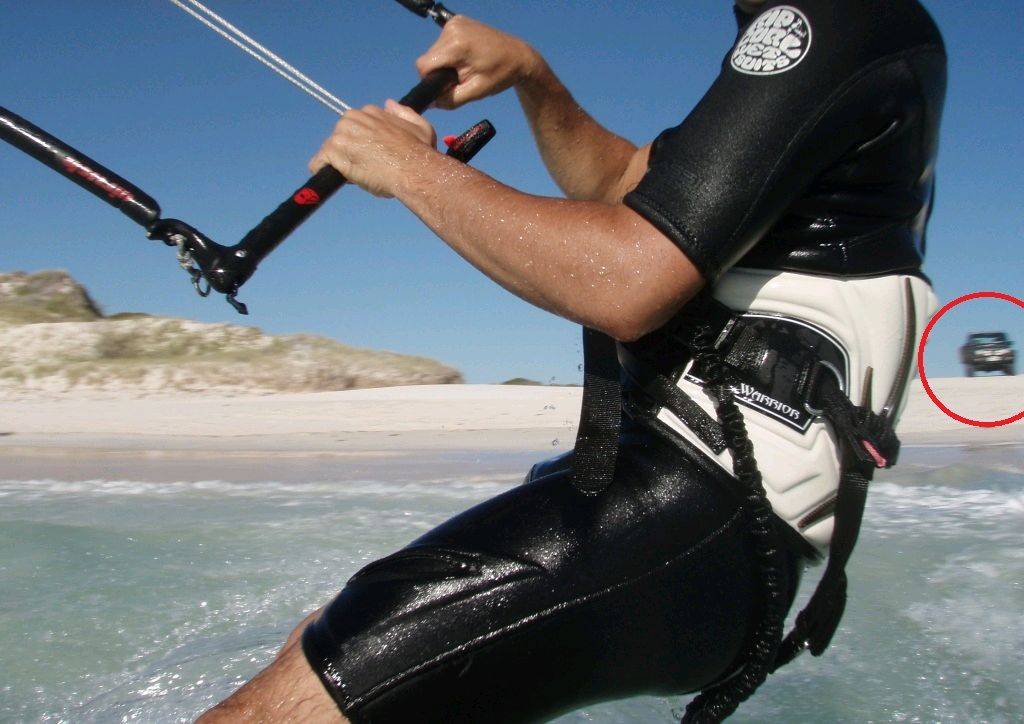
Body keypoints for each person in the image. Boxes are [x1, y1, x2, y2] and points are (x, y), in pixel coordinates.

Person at [199, 0, 946, 721]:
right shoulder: (826, 37)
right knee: (321, 640)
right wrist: (533, 77)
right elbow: (625, 186)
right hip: (692, 509)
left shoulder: (823, 18)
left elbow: (627, 281)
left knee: (286, 706)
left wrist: (409, 169)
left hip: (702, 500)